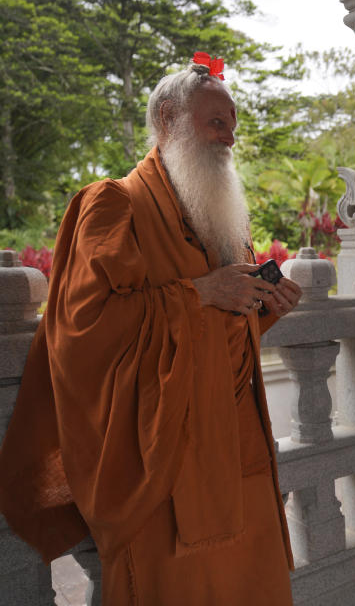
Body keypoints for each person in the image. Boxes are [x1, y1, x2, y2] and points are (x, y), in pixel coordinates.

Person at [0, 56, 303, 605]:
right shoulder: (113, 204)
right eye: (217, 123)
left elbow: (222, 334)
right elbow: (79, 329)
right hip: (163, 459)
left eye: (232, 126)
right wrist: (201, 292)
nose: (229, 138)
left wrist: (265, 304)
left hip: (240, 447)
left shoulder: (218, 217)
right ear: (168, 119)